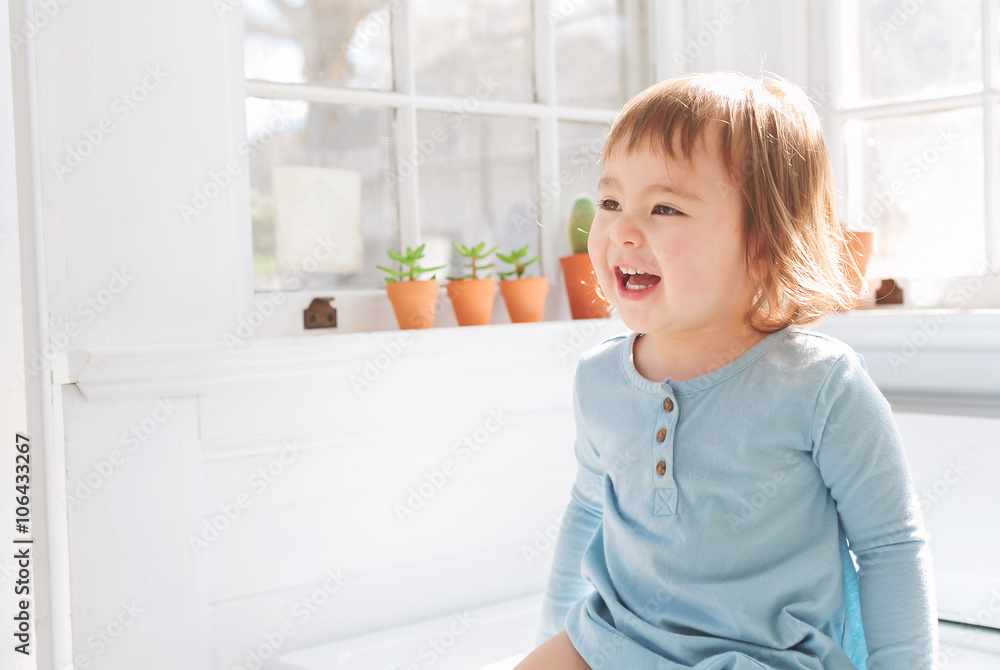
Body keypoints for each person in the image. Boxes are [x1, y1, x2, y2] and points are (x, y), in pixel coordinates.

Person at [515, 72, 937, 670]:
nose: (622, 230)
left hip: (762, 656)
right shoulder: (599, 379)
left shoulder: (820, 385)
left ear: (763, 243)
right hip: (618, 637)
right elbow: (587, 514)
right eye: (611, 202)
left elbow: (890, 546)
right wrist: (546, 641)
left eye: (664, 207)